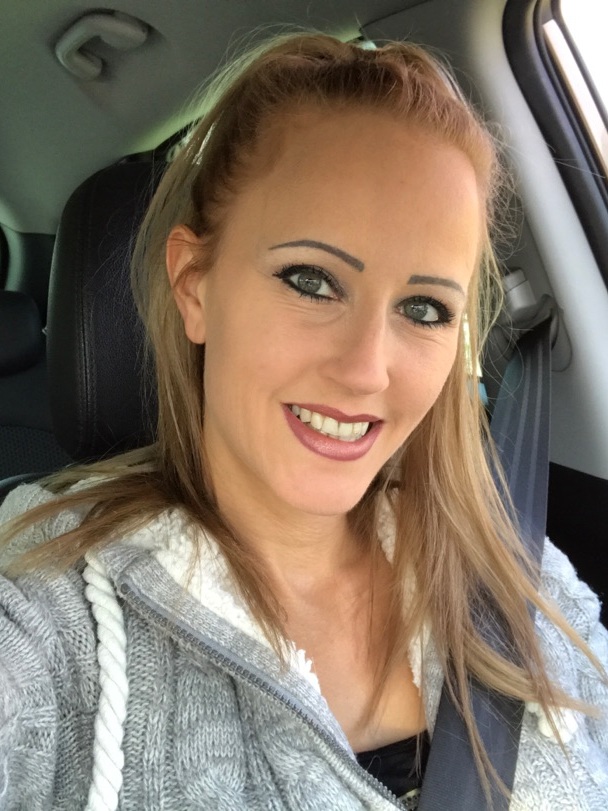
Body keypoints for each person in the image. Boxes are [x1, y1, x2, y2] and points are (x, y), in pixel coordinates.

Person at [0, 32, 607, 811]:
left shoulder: (513, 567)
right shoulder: (53, 612)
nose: (366, 369)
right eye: (311, 280)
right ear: (194, 284)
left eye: (424, 308)